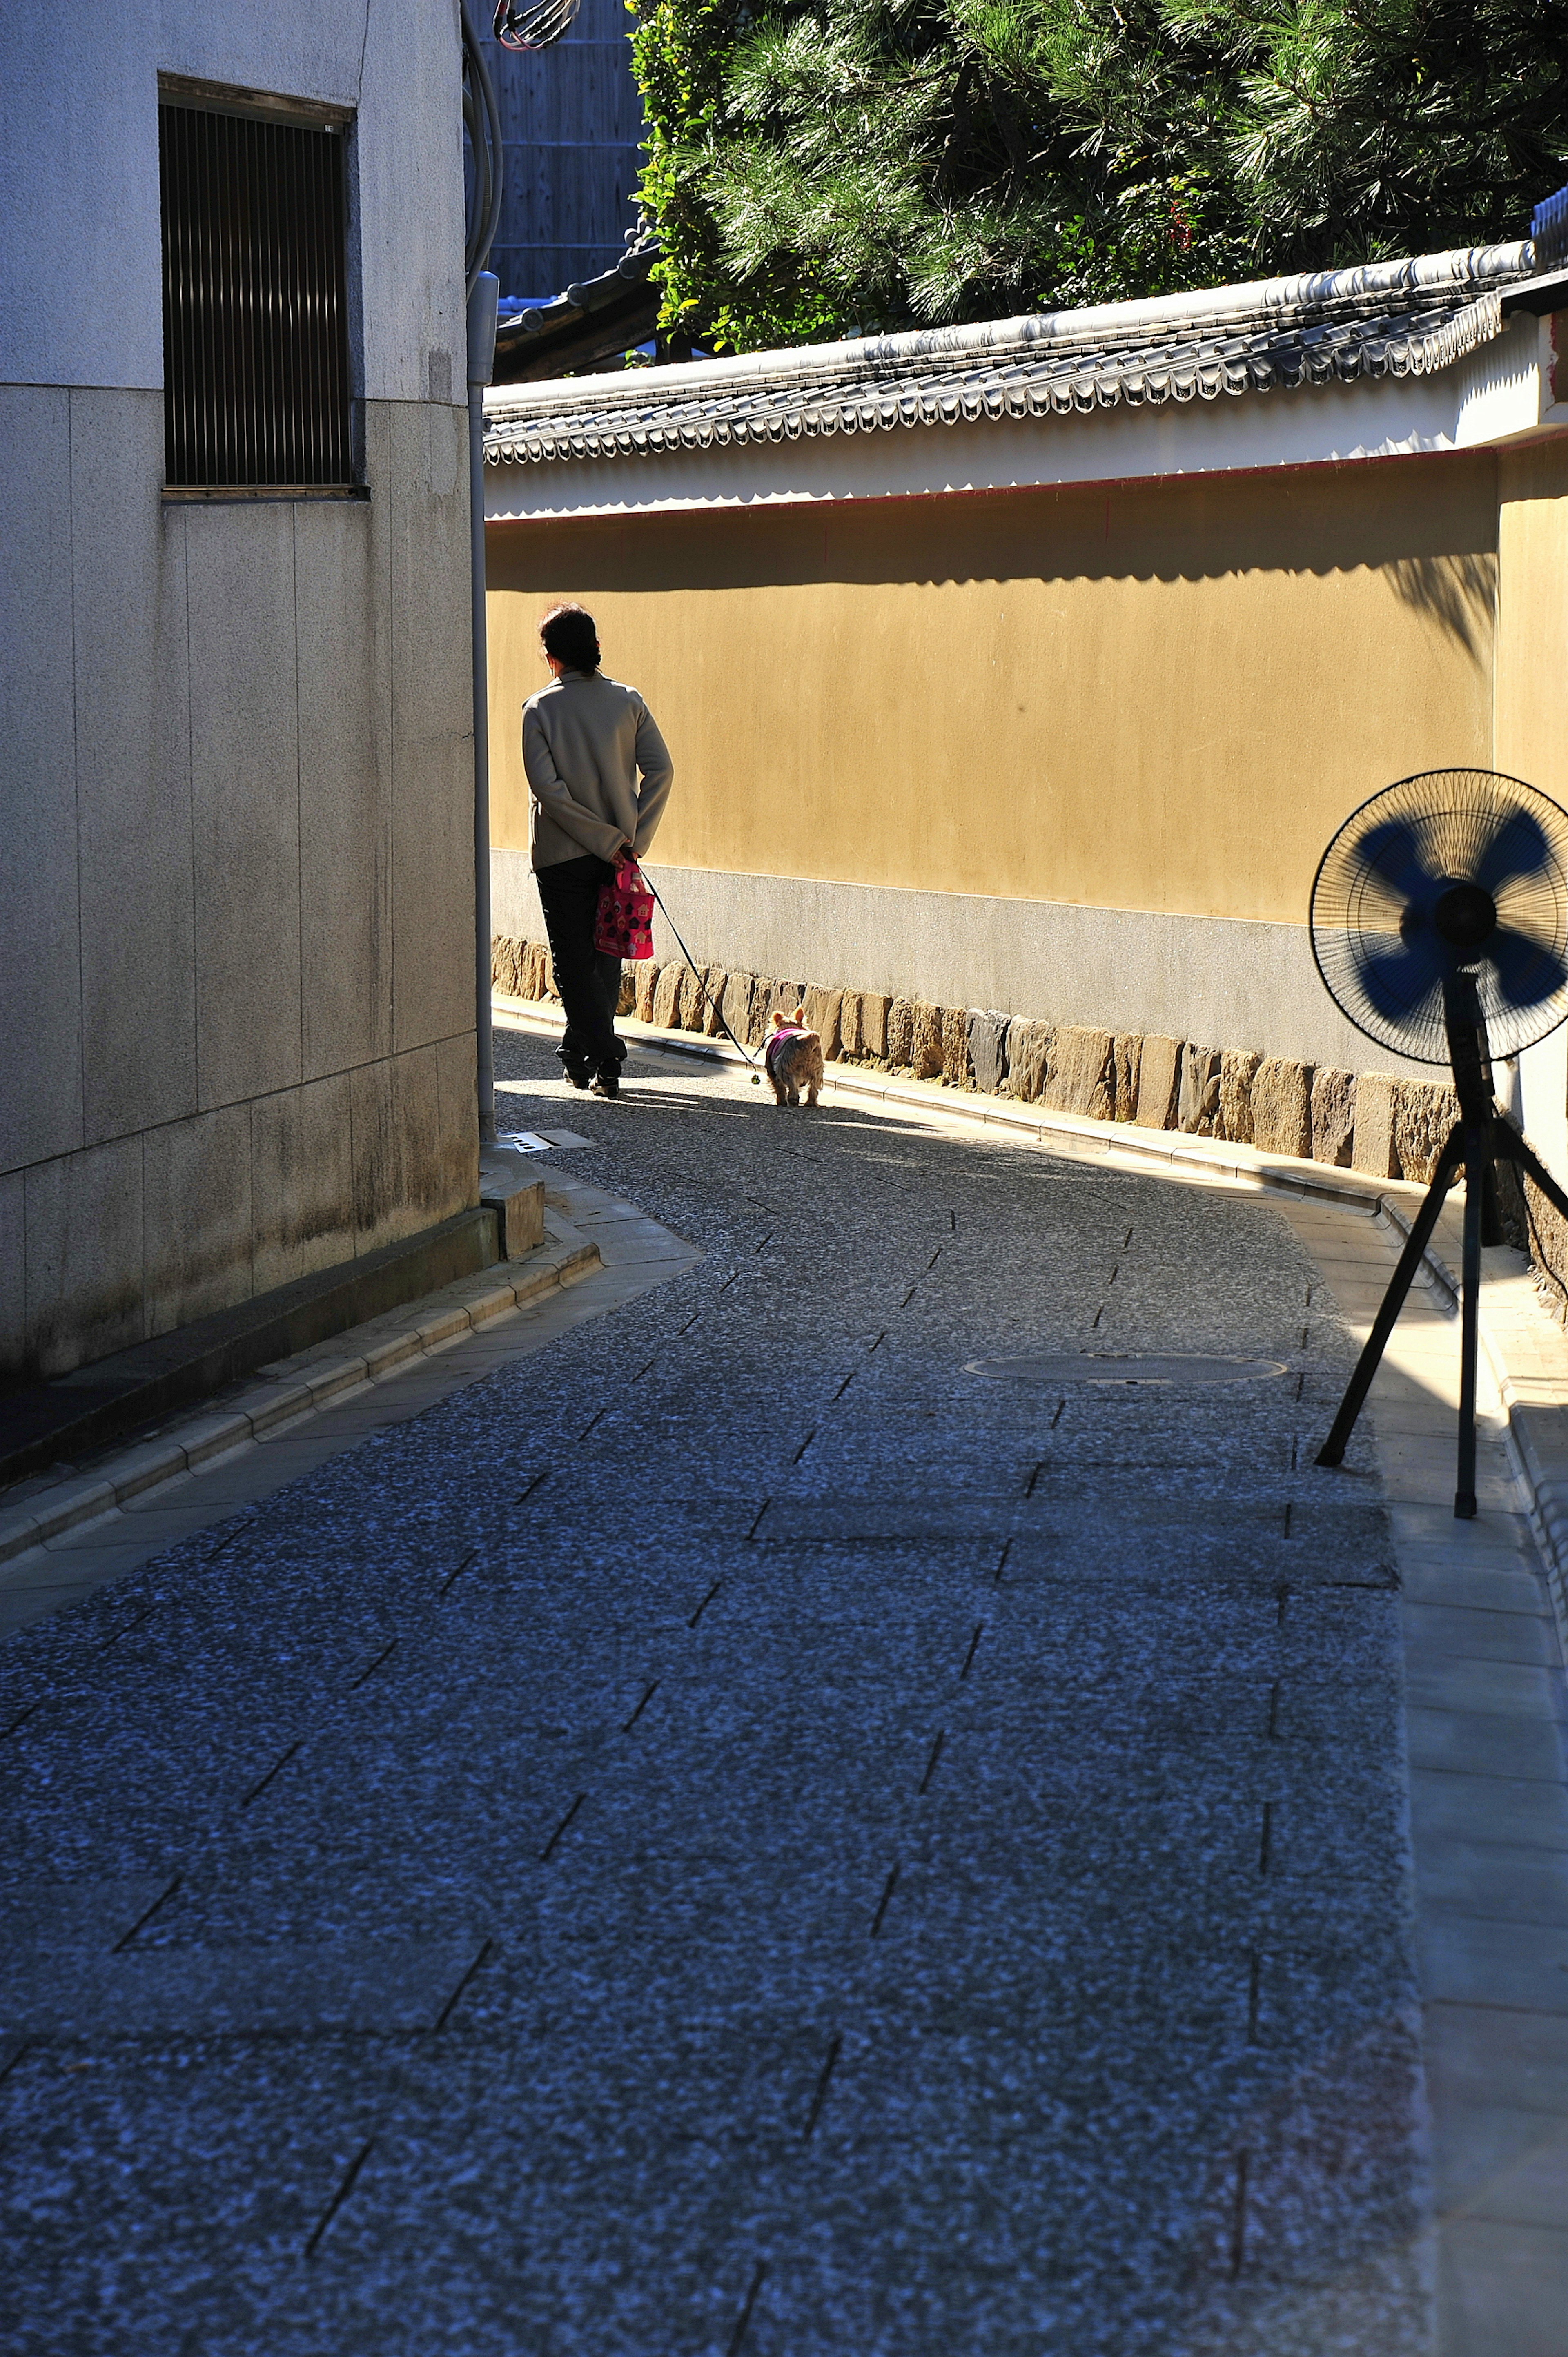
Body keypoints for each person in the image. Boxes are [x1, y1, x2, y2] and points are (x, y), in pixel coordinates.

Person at [522, 603, 674, 1098]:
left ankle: (604, 1053)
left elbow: (551, 793)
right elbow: (662, 772)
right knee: (606, 955)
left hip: (562, 855)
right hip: (620, 855)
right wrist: (632, 839)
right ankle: (586, 1056)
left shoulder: (539, 710)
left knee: (572, 960)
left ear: (551, 658)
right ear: (597, 650)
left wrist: (606, 843)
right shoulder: (629, 701)